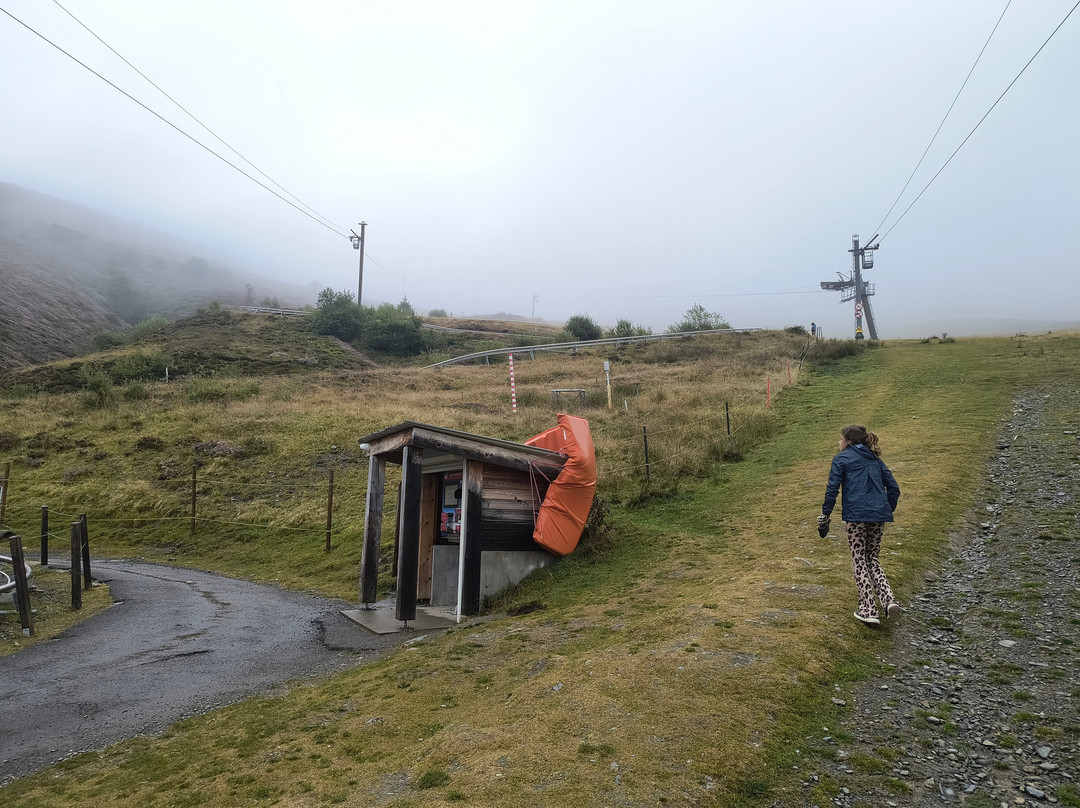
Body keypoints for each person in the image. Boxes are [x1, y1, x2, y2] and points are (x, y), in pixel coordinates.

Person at [819, 424, 901, 626]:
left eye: (840, 438)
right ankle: (889, 601)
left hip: (856, 516)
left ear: (848, 441)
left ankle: (869, 609)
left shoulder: (841, 459)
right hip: (878, 515)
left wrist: (825, 515)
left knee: (859, 560)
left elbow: (832, 489)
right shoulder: (875, 460)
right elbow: (894, 488)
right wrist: (885, 510)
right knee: (872, 558)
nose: (838, 442)